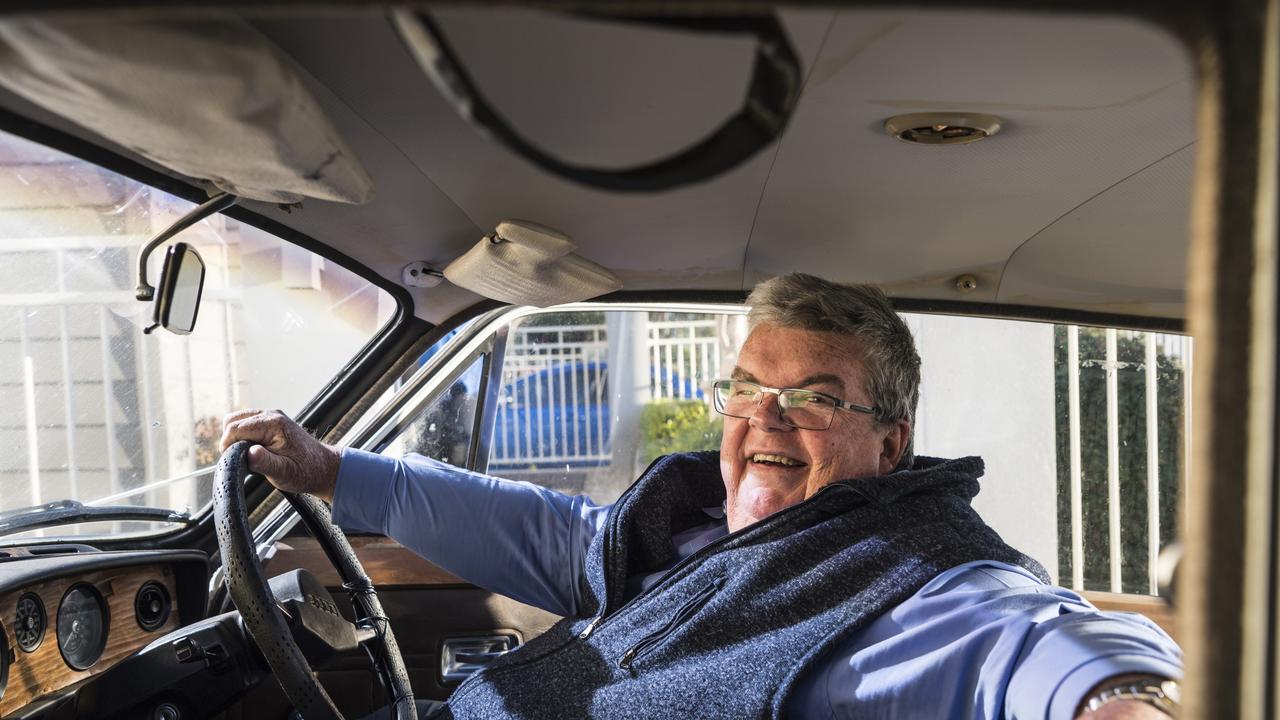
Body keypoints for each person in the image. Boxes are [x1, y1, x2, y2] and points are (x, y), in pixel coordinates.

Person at [221, 274, 1182, 719]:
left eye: (814, 399)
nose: (767, 420)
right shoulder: (699, 527)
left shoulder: (920, 579)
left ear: (890, 444)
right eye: (747, 390)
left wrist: (1123, 695)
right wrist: (335, 472)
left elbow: (1035, 636)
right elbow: (552, 537)